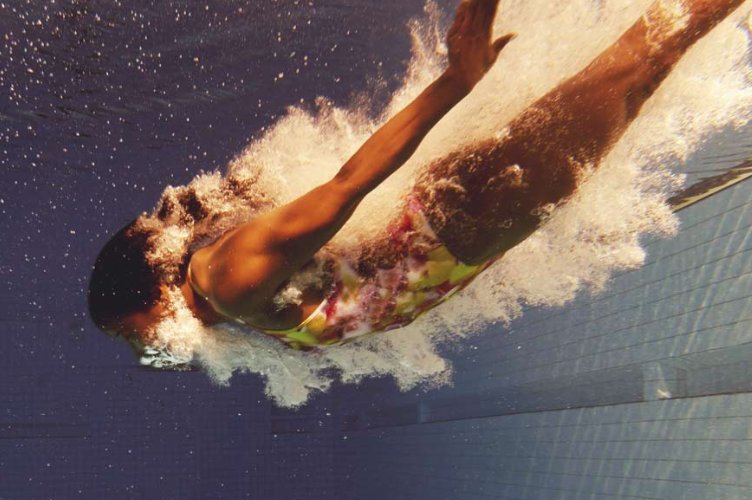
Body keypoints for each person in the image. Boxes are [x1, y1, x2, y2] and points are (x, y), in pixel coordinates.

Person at [89, 0, 745, 355]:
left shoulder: (222, 280)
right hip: (464, 225)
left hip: (471, 214)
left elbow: (346, 187)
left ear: (148, 287)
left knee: (638, 67)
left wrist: (457, 82)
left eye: (130, 331)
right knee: (636, 70)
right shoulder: (231, 303)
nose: (144, 346)